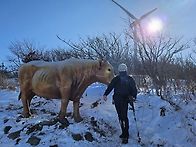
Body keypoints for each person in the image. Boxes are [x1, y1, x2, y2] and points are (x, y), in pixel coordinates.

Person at [102, 63, 137, 144]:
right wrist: (133, 97)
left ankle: (125, 134)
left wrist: (105, 94)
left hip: (118, 100)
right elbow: (134, 89)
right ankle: (125, 133)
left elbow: (110, 87)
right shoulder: (130, 79)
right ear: (126, 70)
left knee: (121, 116)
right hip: (125, 100)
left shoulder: (116, 79)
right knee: (124, 116)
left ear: (119, 70)